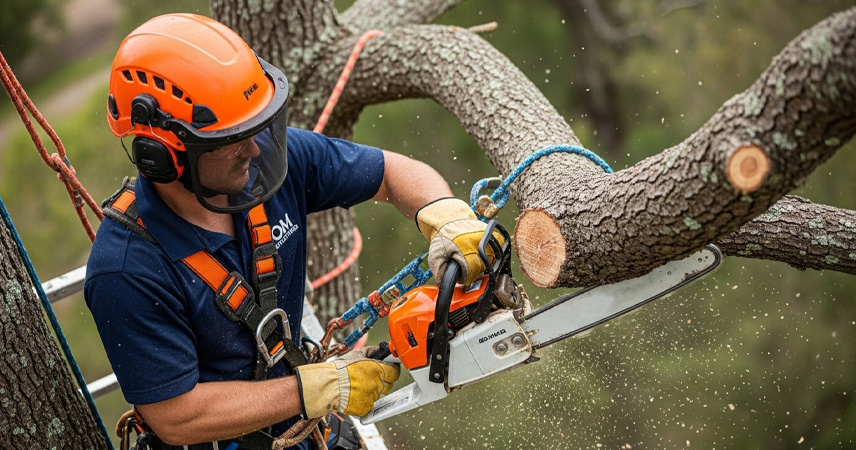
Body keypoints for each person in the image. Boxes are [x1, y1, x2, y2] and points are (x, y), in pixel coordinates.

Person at [84, 13, 496, 450]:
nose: (255, 147)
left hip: (302, 426)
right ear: (163, 155)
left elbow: (393, 173)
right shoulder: (126, 269)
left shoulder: (260, 165)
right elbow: (177, 416)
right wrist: (315, 388)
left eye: (255, 128)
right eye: (231, 138)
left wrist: (445, 217)